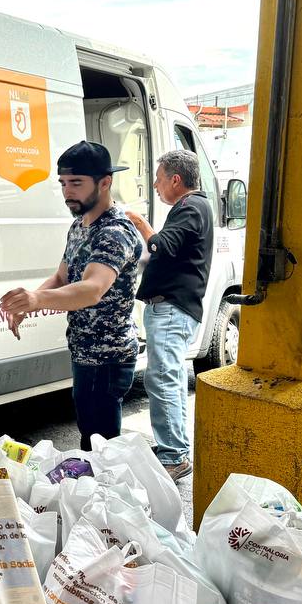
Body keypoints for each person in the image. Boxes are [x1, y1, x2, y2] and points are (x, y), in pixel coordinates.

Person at [0, 141, 143, 450]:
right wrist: (31, 300)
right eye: (63, 183)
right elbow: (63, 277)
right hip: (84, 353)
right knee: (90, 440)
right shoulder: (79, 226)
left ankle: (105, 496)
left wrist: (37, 301)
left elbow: (92, 289)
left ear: (105, 182)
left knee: (101, 448)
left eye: (76, 183)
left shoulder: (115, 232)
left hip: (107, 359)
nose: (67, 192)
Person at [123, 149, 213, 481]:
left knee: (163, 379)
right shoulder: (192, 208)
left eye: (159, 179)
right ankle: (170, 450)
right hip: (172, 307)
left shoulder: (190, 207)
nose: (157, 186)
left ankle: (174, 455)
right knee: (164, 378)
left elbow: (162, 246)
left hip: (173, 309)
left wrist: (138, 222)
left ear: (176, 179)